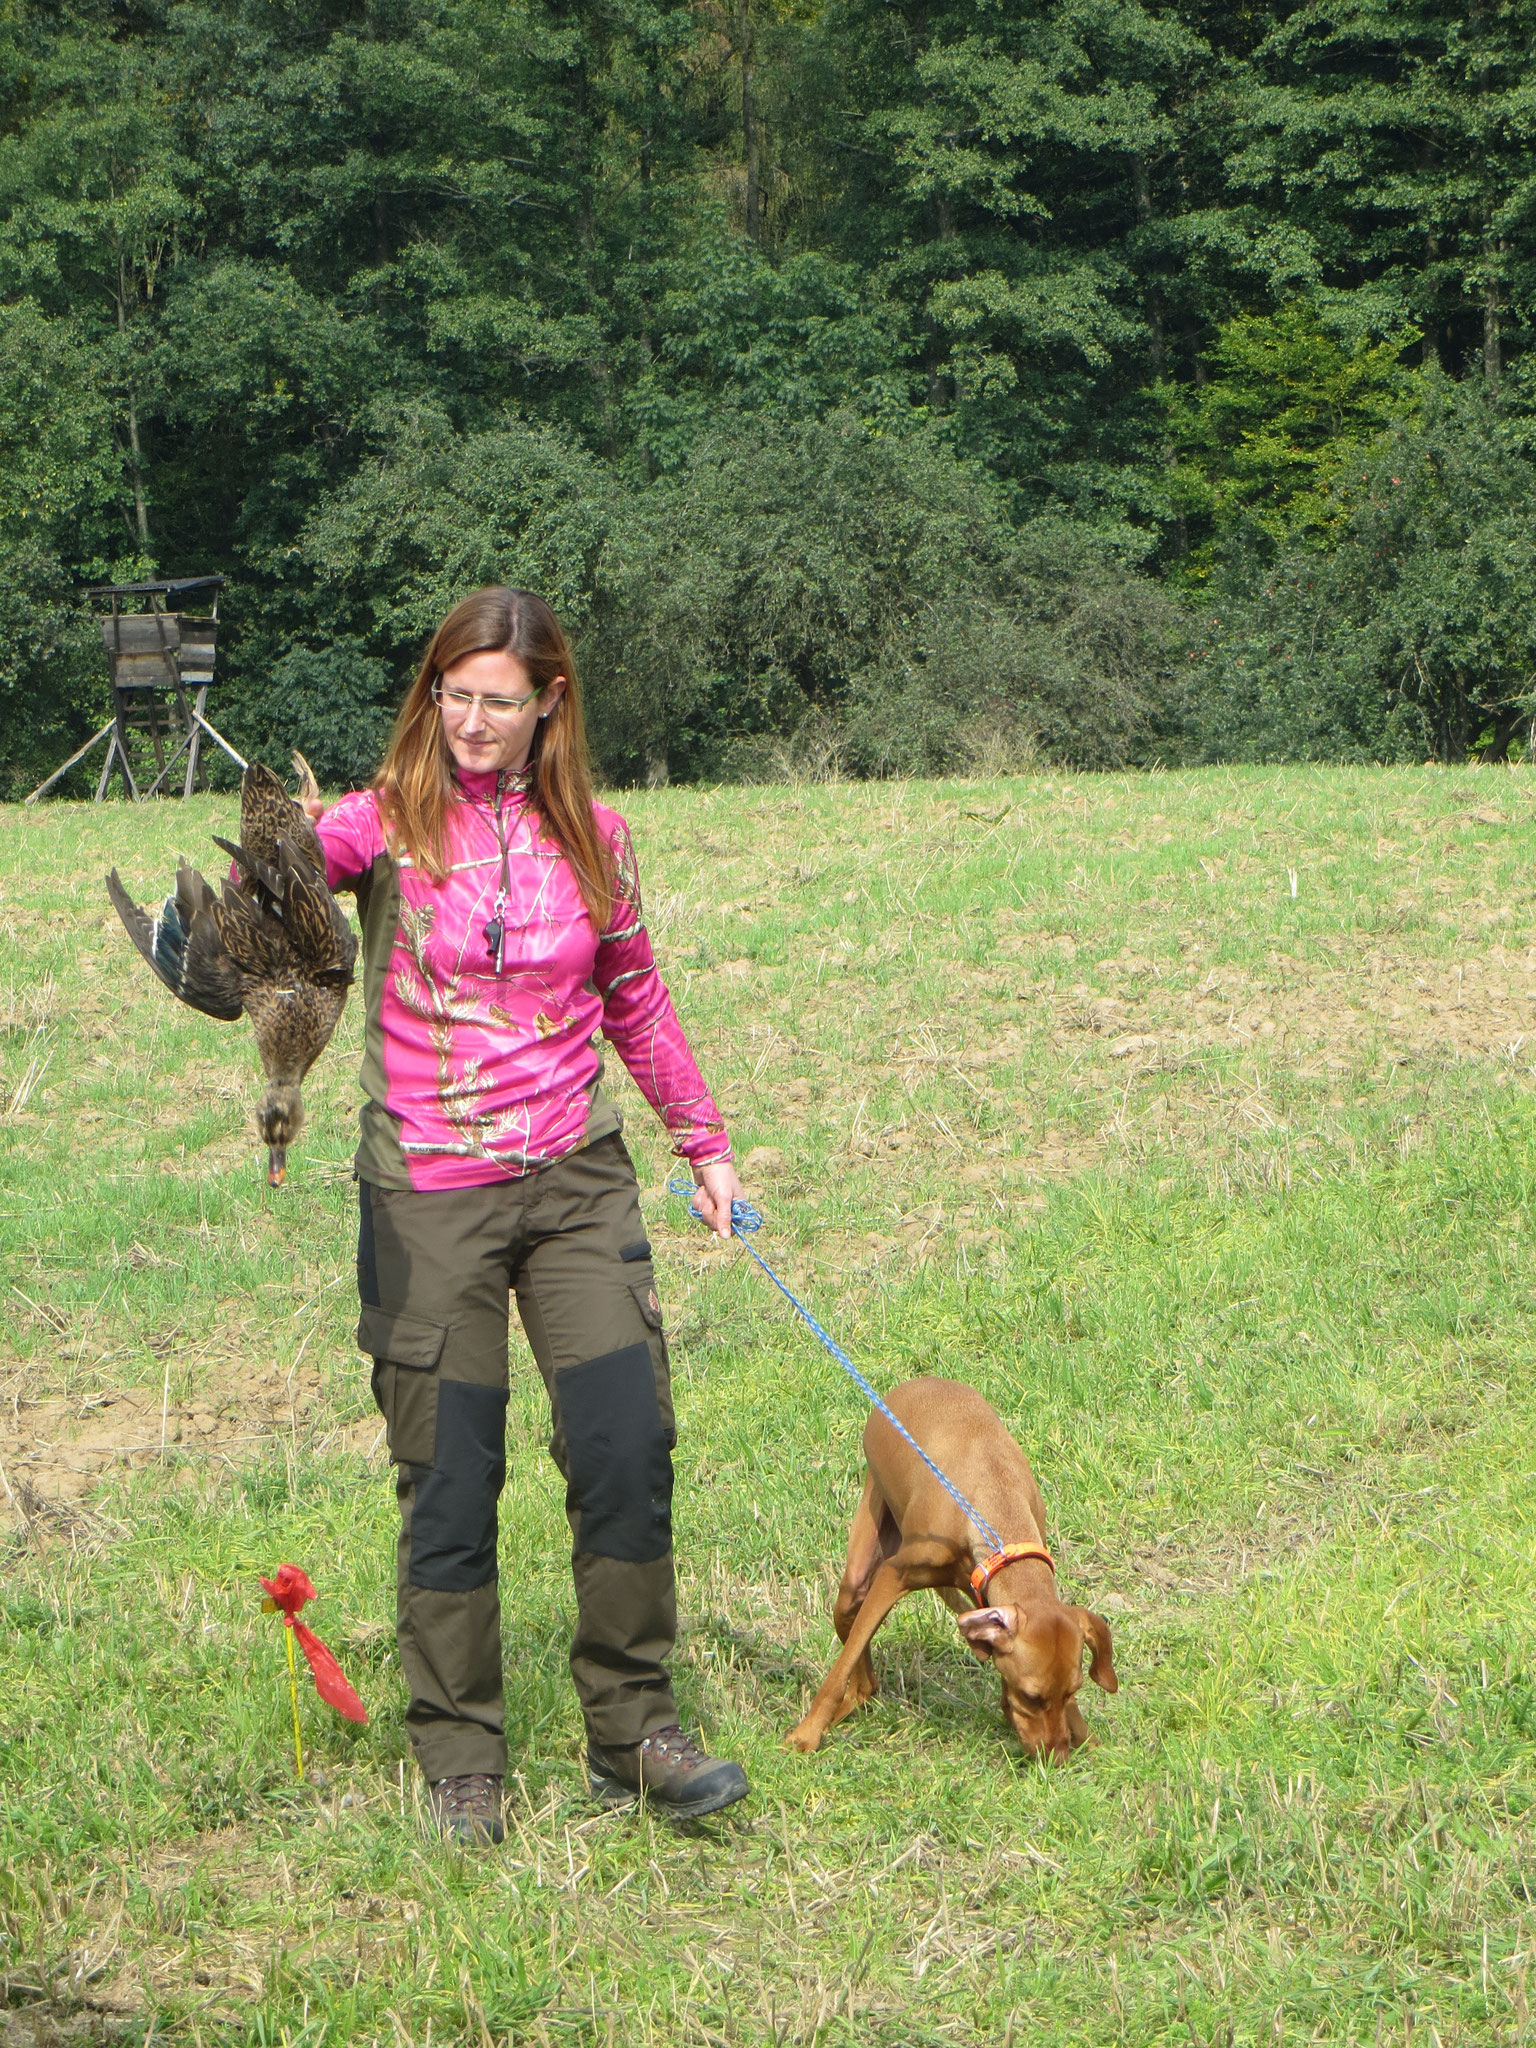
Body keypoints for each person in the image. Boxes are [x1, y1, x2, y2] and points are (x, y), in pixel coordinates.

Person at [303, 586, 749, 1842]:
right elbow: (280, 888)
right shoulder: (382, 822)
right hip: (427, 1195)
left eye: (502, 700)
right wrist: (218, 931)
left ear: (551, 701)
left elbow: (639, 1001)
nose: (475, 722)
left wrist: (704, 1145)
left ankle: (636, 1729)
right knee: (450, 1477)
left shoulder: (597, 838)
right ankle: (462, 1761)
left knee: (623, 1444)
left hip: (575, 1181)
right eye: (456, 694)